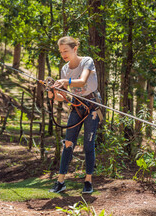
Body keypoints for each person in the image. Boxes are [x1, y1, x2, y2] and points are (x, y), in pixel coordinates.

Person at [48, 36, 101, 194]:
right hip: (77, 106)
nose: (63, 54)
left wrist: (64, 81)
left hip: (92, 106)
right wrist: (52, 92)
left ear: (75, 49)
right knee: (68, 143)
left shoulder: (87, 61)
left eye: (66, 50)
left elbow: (82, 81)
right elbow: (61, 97)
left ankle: (88, 181)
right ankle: (60, 182)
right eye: (61, 51)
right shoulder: (65, 69)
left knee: (88, 144)